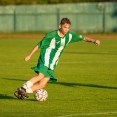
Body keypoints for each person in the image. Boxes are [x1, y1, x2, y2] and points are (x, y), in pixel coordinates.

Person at [14, 18, 100, 100]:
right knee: (40, 76)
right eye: (64, 27)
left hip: (53, 63)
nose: (66, 29)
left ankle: (22, 92)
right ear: (60, 26)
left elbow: (84, 38)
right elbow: (39, 45)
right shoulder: (51, 35)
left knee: (42, 84)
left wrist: (93, 40)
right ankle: (23, 87)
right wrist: (29, 55)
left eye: (68, 27)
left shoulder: (69, 36)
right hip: (45, 58)